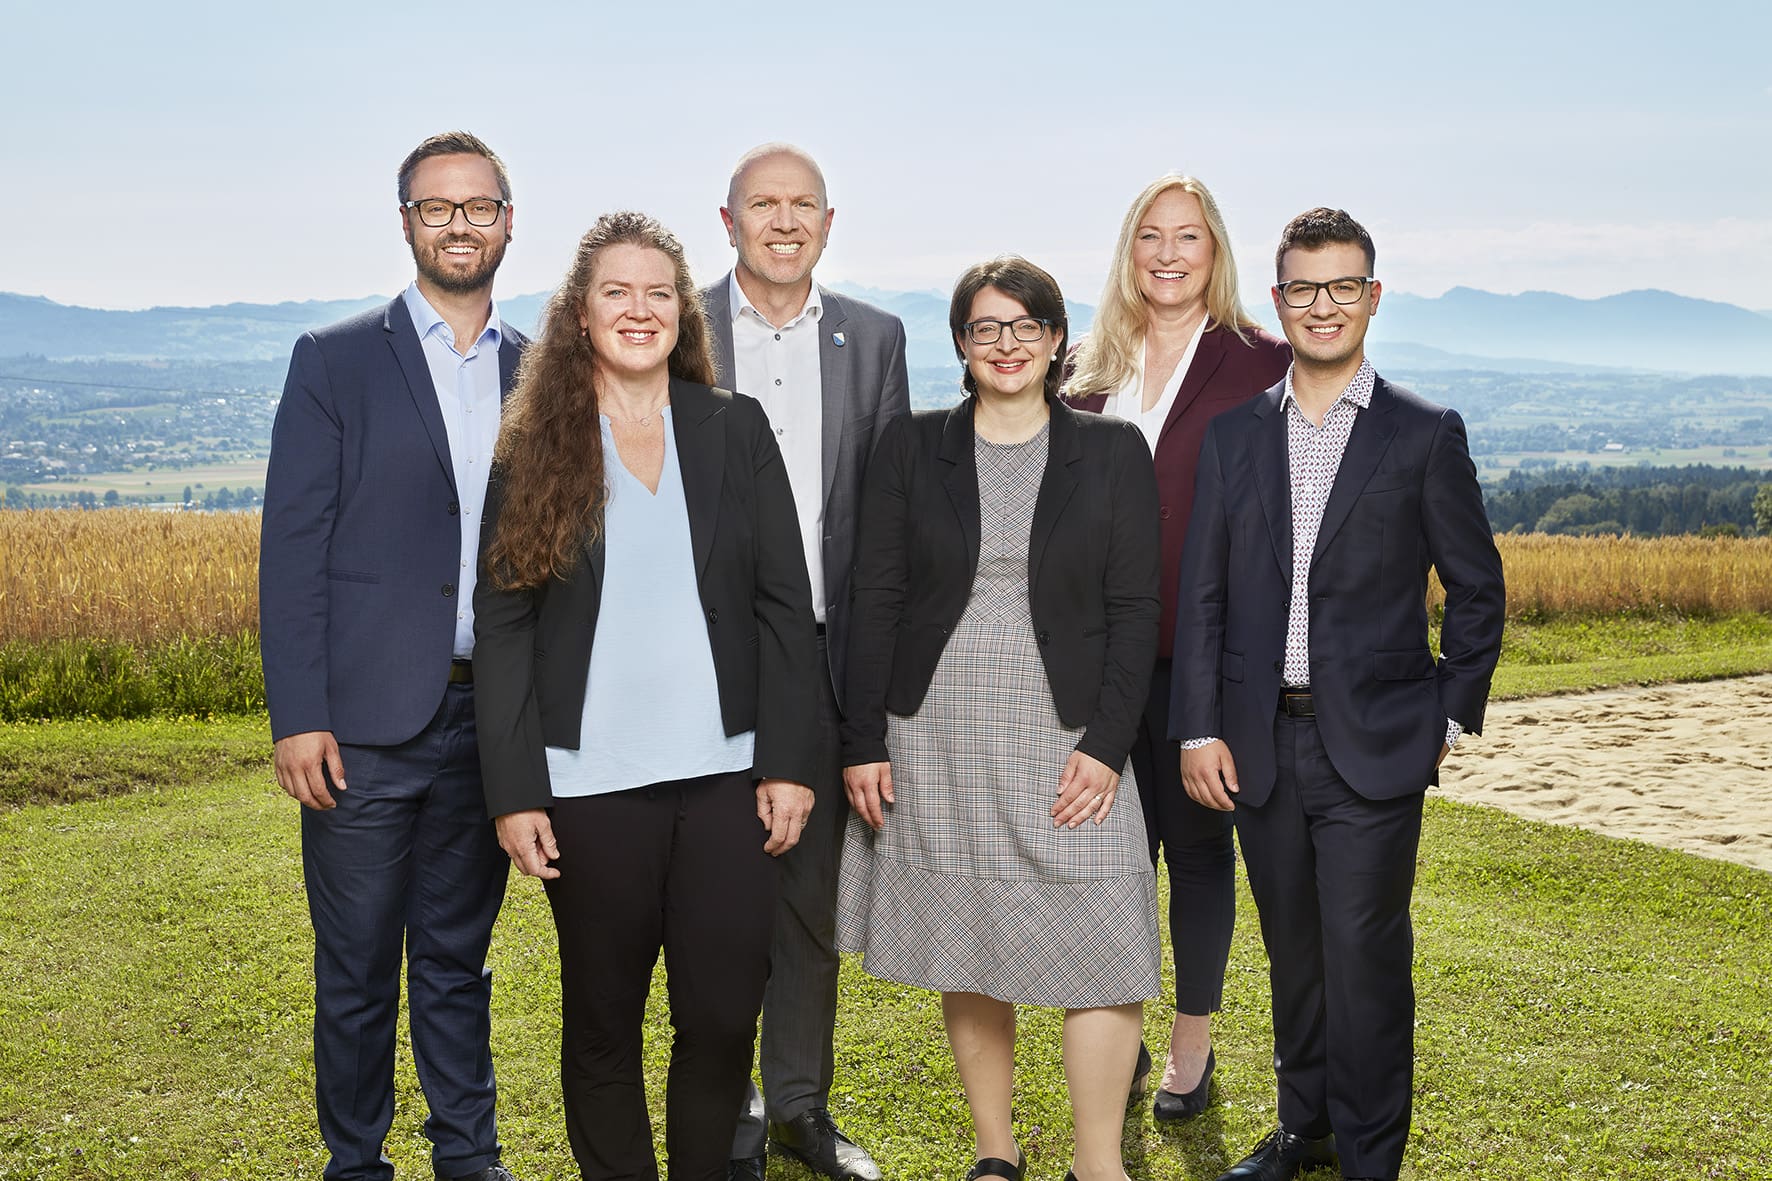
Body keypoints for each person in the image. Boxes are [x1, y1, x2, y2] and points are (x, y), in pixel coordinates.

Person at [471, 211, 822, 1181]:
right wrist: (514, 789)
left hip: (728, 781)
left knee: (721, 1015)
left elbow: (784, 606)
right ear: (580, 314)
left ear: (682, 312)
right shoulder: (533, 444)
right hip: (587, 788)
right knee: (602, 1021)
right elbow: (503, 626)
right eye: (616, 292)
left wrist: (790, 761)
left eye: (658, 292)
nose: (639, 309)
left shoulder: (732, 428)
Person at [1172, 208, 1505, 1181]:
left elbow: (1476, 589)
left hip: (1375, 744)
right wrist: (1196, 726)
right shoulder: (1234, 437)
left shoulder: (1422, 433)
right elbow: (1202, 596)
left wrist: (1446, 715)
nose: (1324, 305)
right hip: (1259, 742)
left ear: (1372, 295)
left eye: (1343, 285)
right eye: (1304, 287)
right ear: (1278, 300)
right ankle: (1303, 1127)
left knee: (1364, 956)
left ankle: (1368, 1156)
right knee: (1293, 951)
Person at [838, 256, 1163, 1181]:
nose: (1007, 345)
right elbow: (877, 596)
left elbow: (1137, 608)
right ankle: (996, 1150)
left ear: (1057, 339)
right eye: (986, 328)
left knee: (1106, 937)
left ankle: (1098, 1163)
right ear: (962, 344)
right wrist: (862, 738)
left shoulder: (1113, 451)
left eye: (1026, 327)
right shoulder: (910, 447)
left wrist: (1107, 745)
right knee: (972, 933)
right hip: (938, 729)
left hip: (1072, 729)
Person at [259, 130, 525, 1181]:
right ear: (407, 222)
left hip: (485, 720)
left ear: (508, 220)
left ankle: (469, 1156)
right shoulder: (335, 358)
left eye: (479, 205)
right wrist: (299, 714)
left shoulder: (537, 368)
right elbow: (293, 550)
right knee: (360, 967)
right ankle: (357, 1163)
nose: (460, 224)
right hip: (362, 726)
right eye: (437, 206)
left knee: (457, 960)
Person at [1063, 173, 1291, 1122]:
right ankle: (1117, 1031)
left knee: (1197, 853)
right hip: (1095, 663)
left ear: (1215, 250)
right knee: (1104, 860)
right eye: (1150, 235)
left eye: (1187, 235)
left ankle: (1191, 1045)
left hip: (1205, 665)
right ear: (1130, 250)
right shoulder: (1084, 365)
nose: (1168, 253)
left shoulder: (1261, 361)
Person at [702, 142, 908, 1181]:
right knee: (712, 899)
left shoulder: (873, 337)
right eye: (763, 204)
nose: (784, 221)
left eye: (803, 206)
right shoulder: (678, 324)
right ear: (728, 221)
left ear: (829, 223)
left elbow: (883, 522)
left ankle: (797, 1106)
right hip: (703, 660)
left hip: (824, 661)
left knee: (809, 905)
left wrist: (872, 700)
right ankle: (725, 1109)